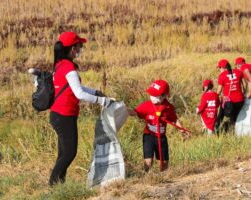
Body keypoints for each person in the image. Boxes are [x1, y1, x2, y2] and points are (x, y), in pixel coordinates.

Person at [49, 31, 113, 186]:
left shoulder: (59, 65)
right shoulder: (69, 67)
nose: (80, 49)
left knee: (63, 153)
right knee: (70, 152)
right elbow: (79, 93)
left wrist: (95, 92)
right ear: (72, 48)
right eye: (79, 46)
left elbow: (73, 87)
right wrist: (102, 101)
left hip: (57, 114)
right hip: (65, 115)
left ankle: (59, 186)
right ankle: (52, 185)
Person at [128, 80, 190, 172]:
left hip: (161, 137)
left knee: (164, 163)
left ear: (164, 96)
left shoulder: (168, 108)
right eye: (151, 94)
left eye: (155, 95)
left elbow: (174, 119)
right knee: (148, 162)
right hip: (149, 136)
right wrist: (123, 109)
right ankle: (145, 178)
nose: (152, 97)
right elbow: (135, 112)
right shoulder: (147, 105)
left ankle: (164, 179)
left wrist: (182, 129)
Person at [215, 59, 244, 132]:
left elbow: (219, 91)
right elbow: (243, 85)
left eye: (220, 68)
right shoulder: (238, 72)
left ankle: (216, 128)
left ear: (223, 68)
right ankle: (234, 130)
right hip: (240, 100)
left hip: (229, 101)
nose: (219, 70)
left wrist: (214, 97)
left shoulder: (222, 75)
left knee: (221, 114)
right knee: (235, 117)